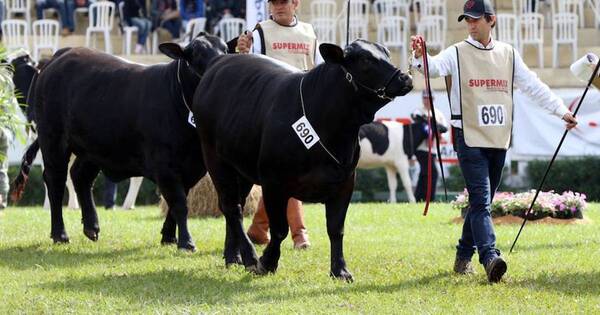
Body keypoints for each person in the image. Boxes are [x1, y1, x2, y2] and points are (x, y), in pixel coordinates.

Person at [410, 0, 577, 283]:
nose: (471, 24)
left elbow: (533, 86)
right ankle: (490, 257)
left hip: (499, 138)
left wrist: (562, 110)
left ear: (491, 21)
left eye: (476, 19)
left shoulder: (508, 54)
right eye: (468, 20)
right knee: (481, 201)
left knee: (481, 202)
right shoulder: (458, 52)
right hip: (469, 136)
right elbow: (433, 67)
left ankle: (463, 256)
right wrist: (419, 56)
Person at [236, 0, 321, 249]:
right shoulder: (260, 31)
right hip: (273, 113)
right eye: (273, 2)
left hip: (303, 112)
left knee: (287, 173)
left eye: (284, 1)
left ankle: (259, 228)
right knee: (290, 170)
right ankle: (299, 234)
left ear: (296, 3)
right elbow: (252, 67)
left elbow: (319, 67)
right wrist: (243, 52)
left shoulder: (309, 31)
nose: (278, 6)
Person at [411, 90, 448, 202]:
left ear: (433, 99)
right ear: (422, 99)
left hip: (433, 150)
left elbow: (445, 133)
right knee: (433, 173)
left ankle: (418, 198)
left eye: (429, 98)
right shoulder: (417, 112)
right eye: (425, 98)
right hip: (421, 148)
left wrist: (440, 136)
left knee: (424, 173)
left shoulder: (438, 114)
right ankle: (429, 199)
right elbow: (413, 131)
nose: (427, 101)